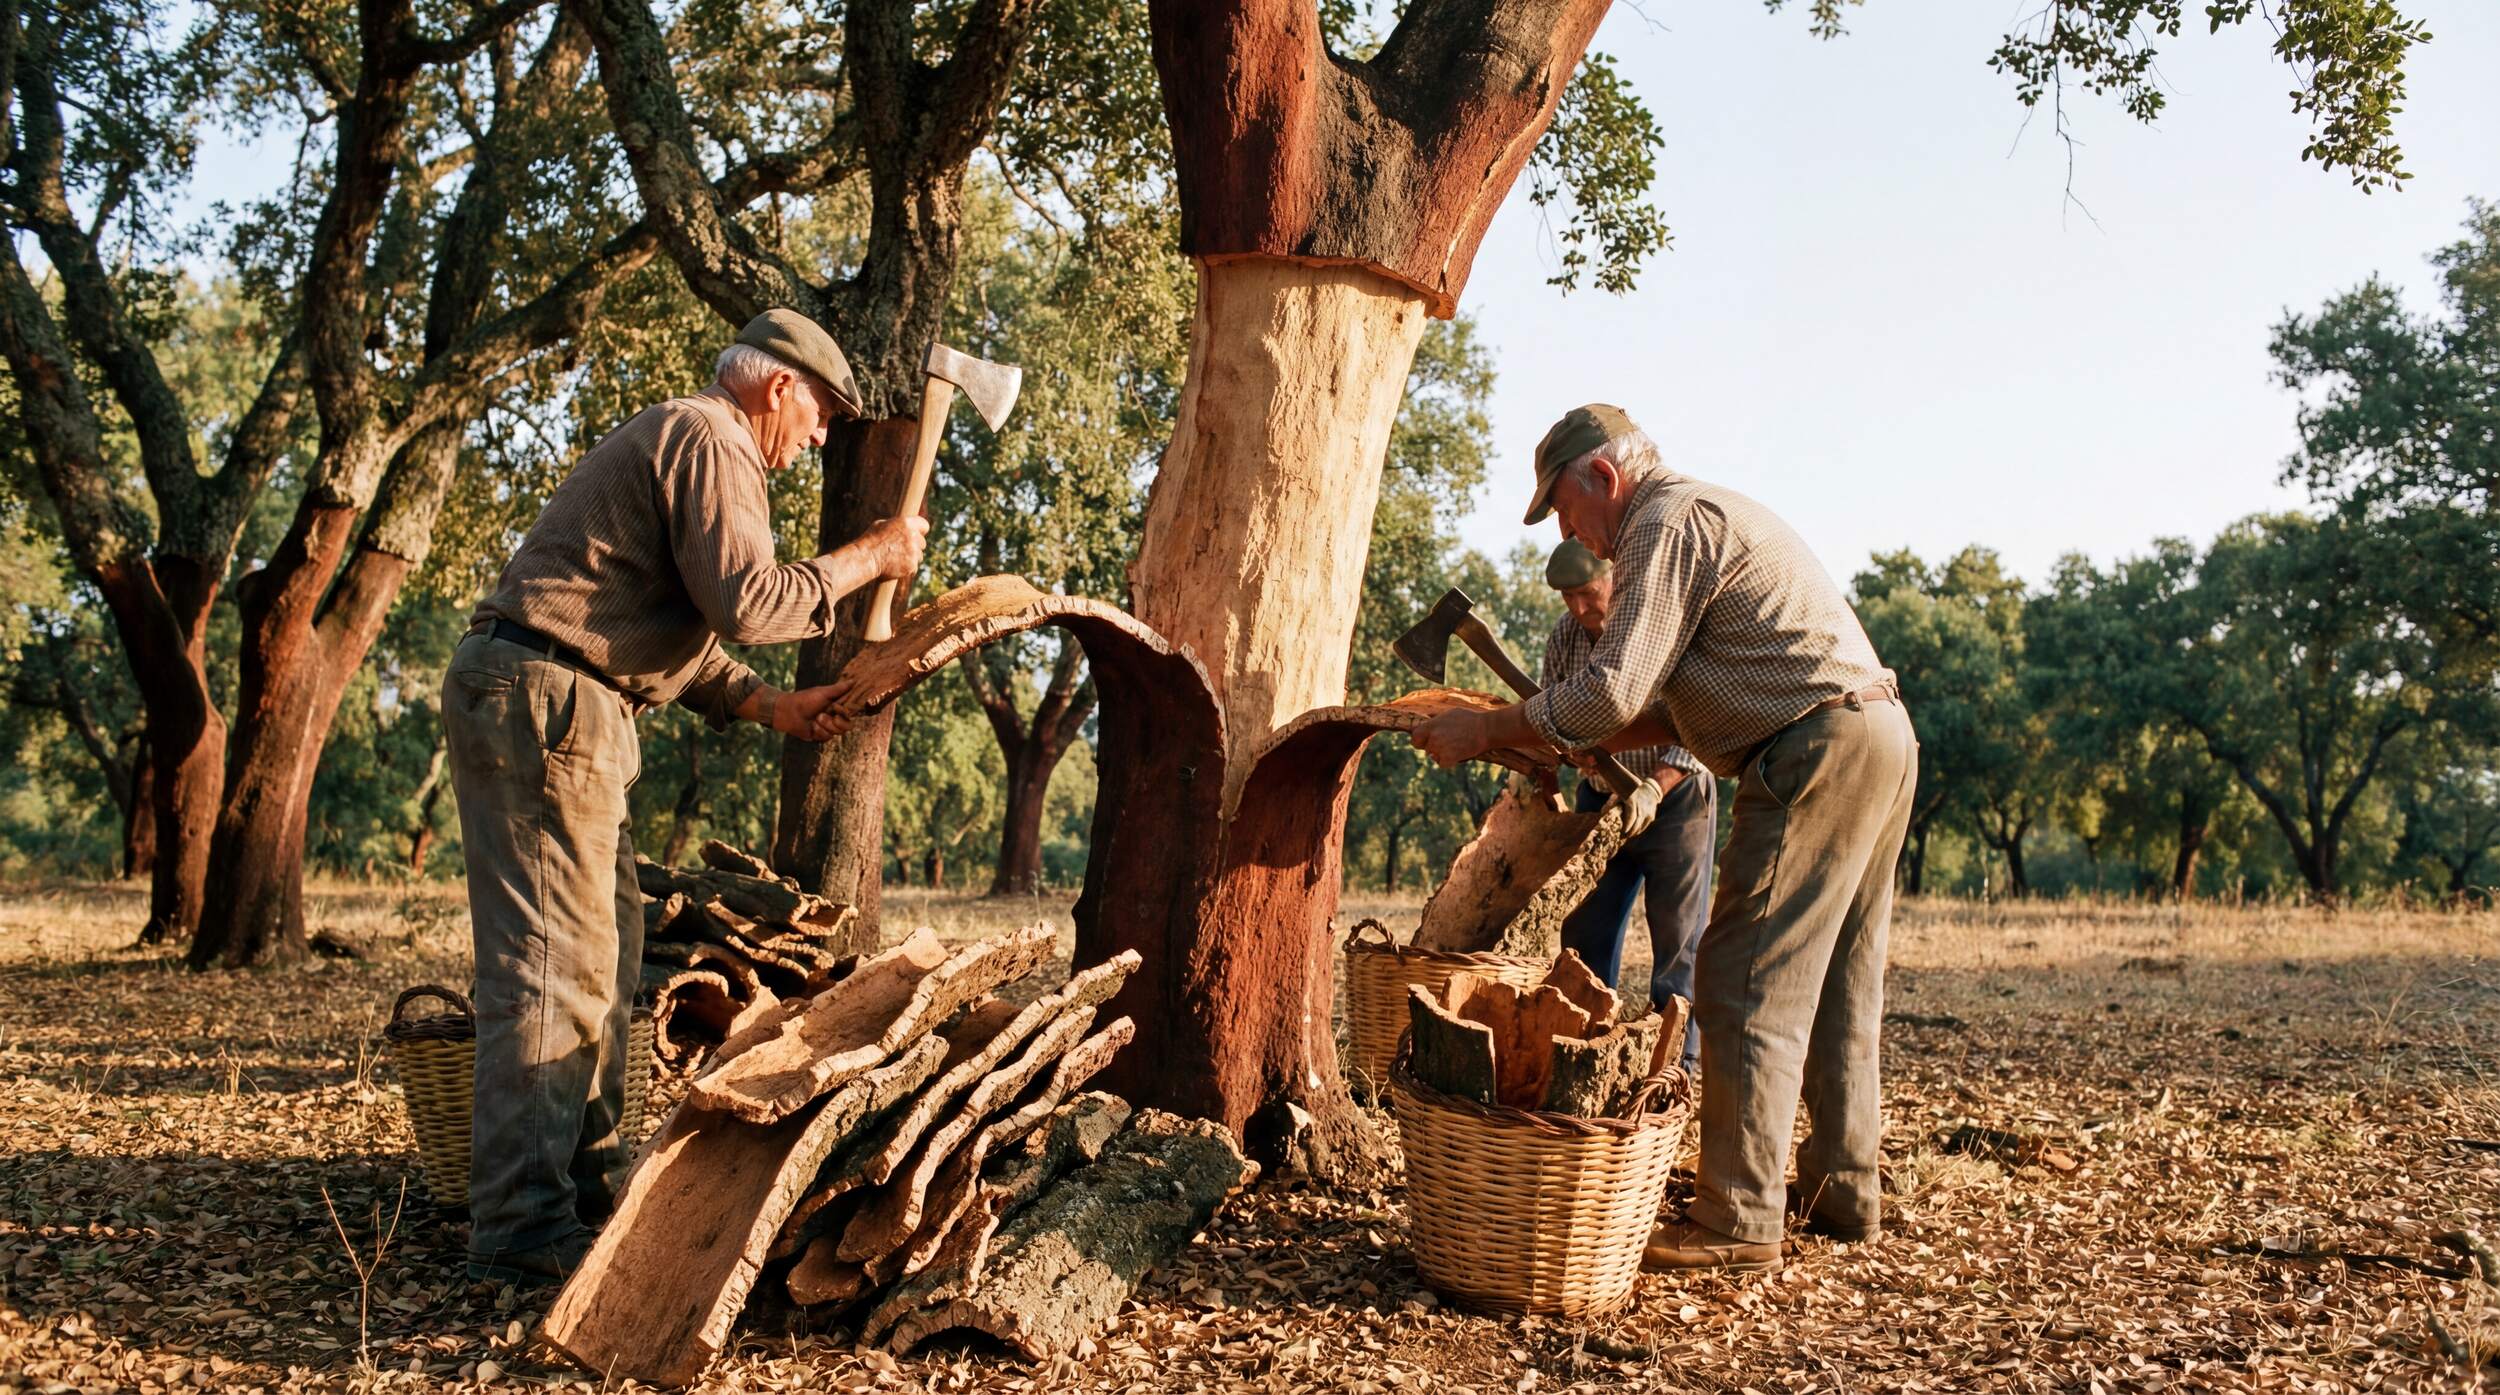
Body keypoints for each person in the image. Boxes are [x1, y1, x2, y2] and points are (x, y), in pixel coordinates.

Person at [443, 309, 928, 1283]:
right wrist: (874, 555)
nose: (819, 438)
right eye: (823, 414)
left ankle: (576, 1202)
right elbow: (748, 603)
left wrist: (772, 709)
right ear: (779, 387)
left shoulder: (684, 439)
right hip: (551, 704)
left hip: (564, 700)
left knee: (602, 959)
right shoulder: (710, 436)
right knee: (552, 973)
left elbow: (669, 626)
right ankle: (523, 1239)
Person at [1411, 404, 1915, 1276]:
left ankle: (1738, 1219)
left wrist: (1488, 729)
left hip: (1809, 749)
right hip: (1878, 736)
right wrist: (1529, 735)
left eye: (1566, 513)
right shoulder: (1698, 516)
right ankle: (1843, 1190)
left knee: (1739, 981)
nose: (1574, 537)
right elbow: (1643, 713)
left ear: (1603, 479)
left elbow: (1607, 697)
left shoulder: (1662, 524)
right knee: (1838, 983)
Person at [1540, 538, 1713, 1075]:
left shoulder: (1654, 626)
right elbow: (1549, 714)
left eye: (1588, 594)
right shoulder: (1565, 638)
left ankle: (1673, 1068)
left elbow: (1698, 726)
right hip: (1601, 798)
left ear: (1614, 577)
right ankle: (1584, 1056)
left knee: (1679, 940)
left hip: (1677, 795)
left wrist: (1656, 787)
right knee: (1584, 934)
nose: (1579, 609)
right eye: (1568, 598)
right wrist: (1552, 767)